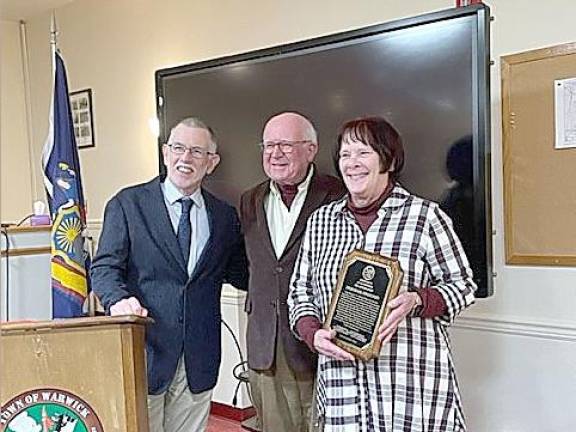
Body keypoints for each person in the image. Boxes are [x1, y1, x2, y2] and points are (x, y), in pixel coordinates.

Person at [288, 116, 476, 432]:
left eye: (363, 152)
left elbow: (463, 286)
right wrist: (312, 332)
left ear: (387, 159)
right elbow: (300, 293)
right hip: (342, 391)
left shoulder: (424, 217)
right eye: (345, 154)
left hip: (411, 389)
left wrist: (417, 300)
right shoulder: (321, 222)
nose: (352, 163)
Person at [91, 117, 248, 432]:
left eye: (196, 151)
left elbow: (241, 273)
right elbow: (104, 267)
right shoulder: (128, 204)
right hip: (146, 351)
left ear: (211, 162)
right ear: (165, 153)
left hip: (198, 358)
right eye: (178, 148)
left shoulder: (224, 216)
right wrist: (117, 300)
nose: (185, 158)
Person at [239, 112, 344, 432]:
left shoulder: (338, 195)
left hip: (321, 344)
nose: (275, 153)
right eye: (269, 145)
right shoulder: (250, 199)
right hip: (265, 345)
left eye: (285, 144)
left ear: (311, 149)